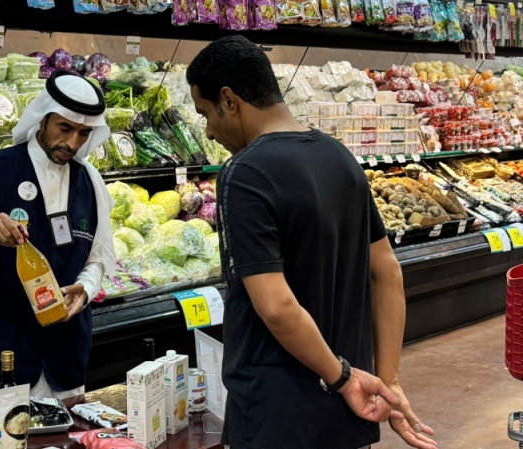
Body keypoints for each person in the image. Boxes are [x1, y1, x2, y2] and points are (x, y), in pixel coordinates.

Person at [186, 36, 438, 449]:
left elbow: (278, 307)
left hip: (276, 412)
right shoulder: (339, 156)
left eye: (206, 113)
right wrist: (385, 381)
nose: (210, 131)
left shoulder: (244, 174)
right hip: (347, 415)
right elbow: (387, 271)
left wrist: (343, 378)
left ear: (229, 100)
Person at [0, 70, 116, 399]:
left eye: (83, 133)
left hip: (66, 359)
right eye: (64, 128)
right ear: (42, 118)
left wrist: (86, 289)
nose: (73, 143)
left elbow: (100, 257)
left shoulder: (90, 179)